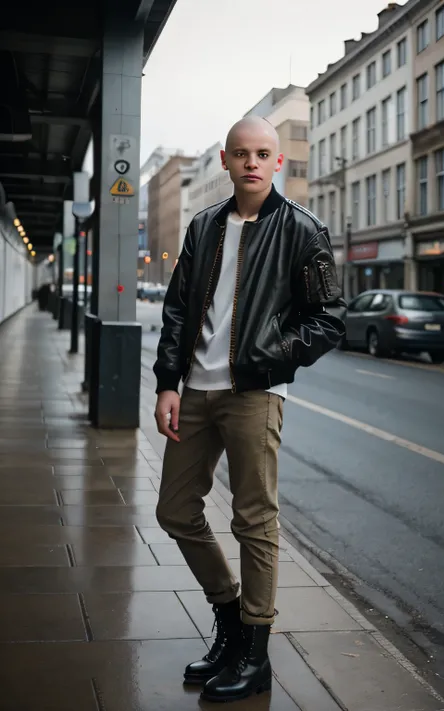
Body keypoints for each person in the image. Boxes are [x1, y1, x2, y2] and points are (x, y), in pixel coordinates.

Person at [153, 115, 345, 703]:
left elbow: (328, 318)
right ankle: (230, 617)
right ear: (226, 161)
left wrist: (271, 355)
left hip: (255, 394)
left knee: (254, 520)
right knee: (175, 511)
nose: (252, 162)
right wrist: (168, 382)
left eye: (263, 152)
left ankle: (255, 654)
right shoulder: (205, 225)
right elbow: (180, 307)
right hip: (198, 392)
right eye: (242, 153)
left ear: (277, 161)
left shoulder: (303, 230)